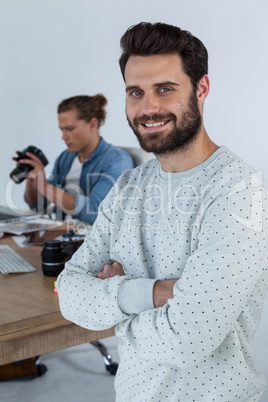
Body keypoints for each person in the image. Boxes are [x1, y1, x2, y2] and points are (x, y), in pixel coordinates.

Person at [57, 22, 268, 401]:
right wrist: (154, 294)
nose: (148, 108)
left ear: (201, 89)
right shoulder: (127, 188)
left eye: (165, 89)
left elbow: (187, 340)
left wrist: (113, 308)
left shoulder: (241, 193)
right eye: (136, 92)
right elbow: (69, 293)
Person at [16, 94, 134, 225]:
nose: (63, 136)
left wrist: (44, 187)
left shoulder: (117, 160)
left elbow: (95, 212)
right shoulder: (65, 157)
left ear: (93, 124)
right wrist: (31, 176)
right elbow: (38, 205)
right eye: (62, 130)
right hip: (60, 233)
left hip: (90, 240)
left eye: (69, 129)